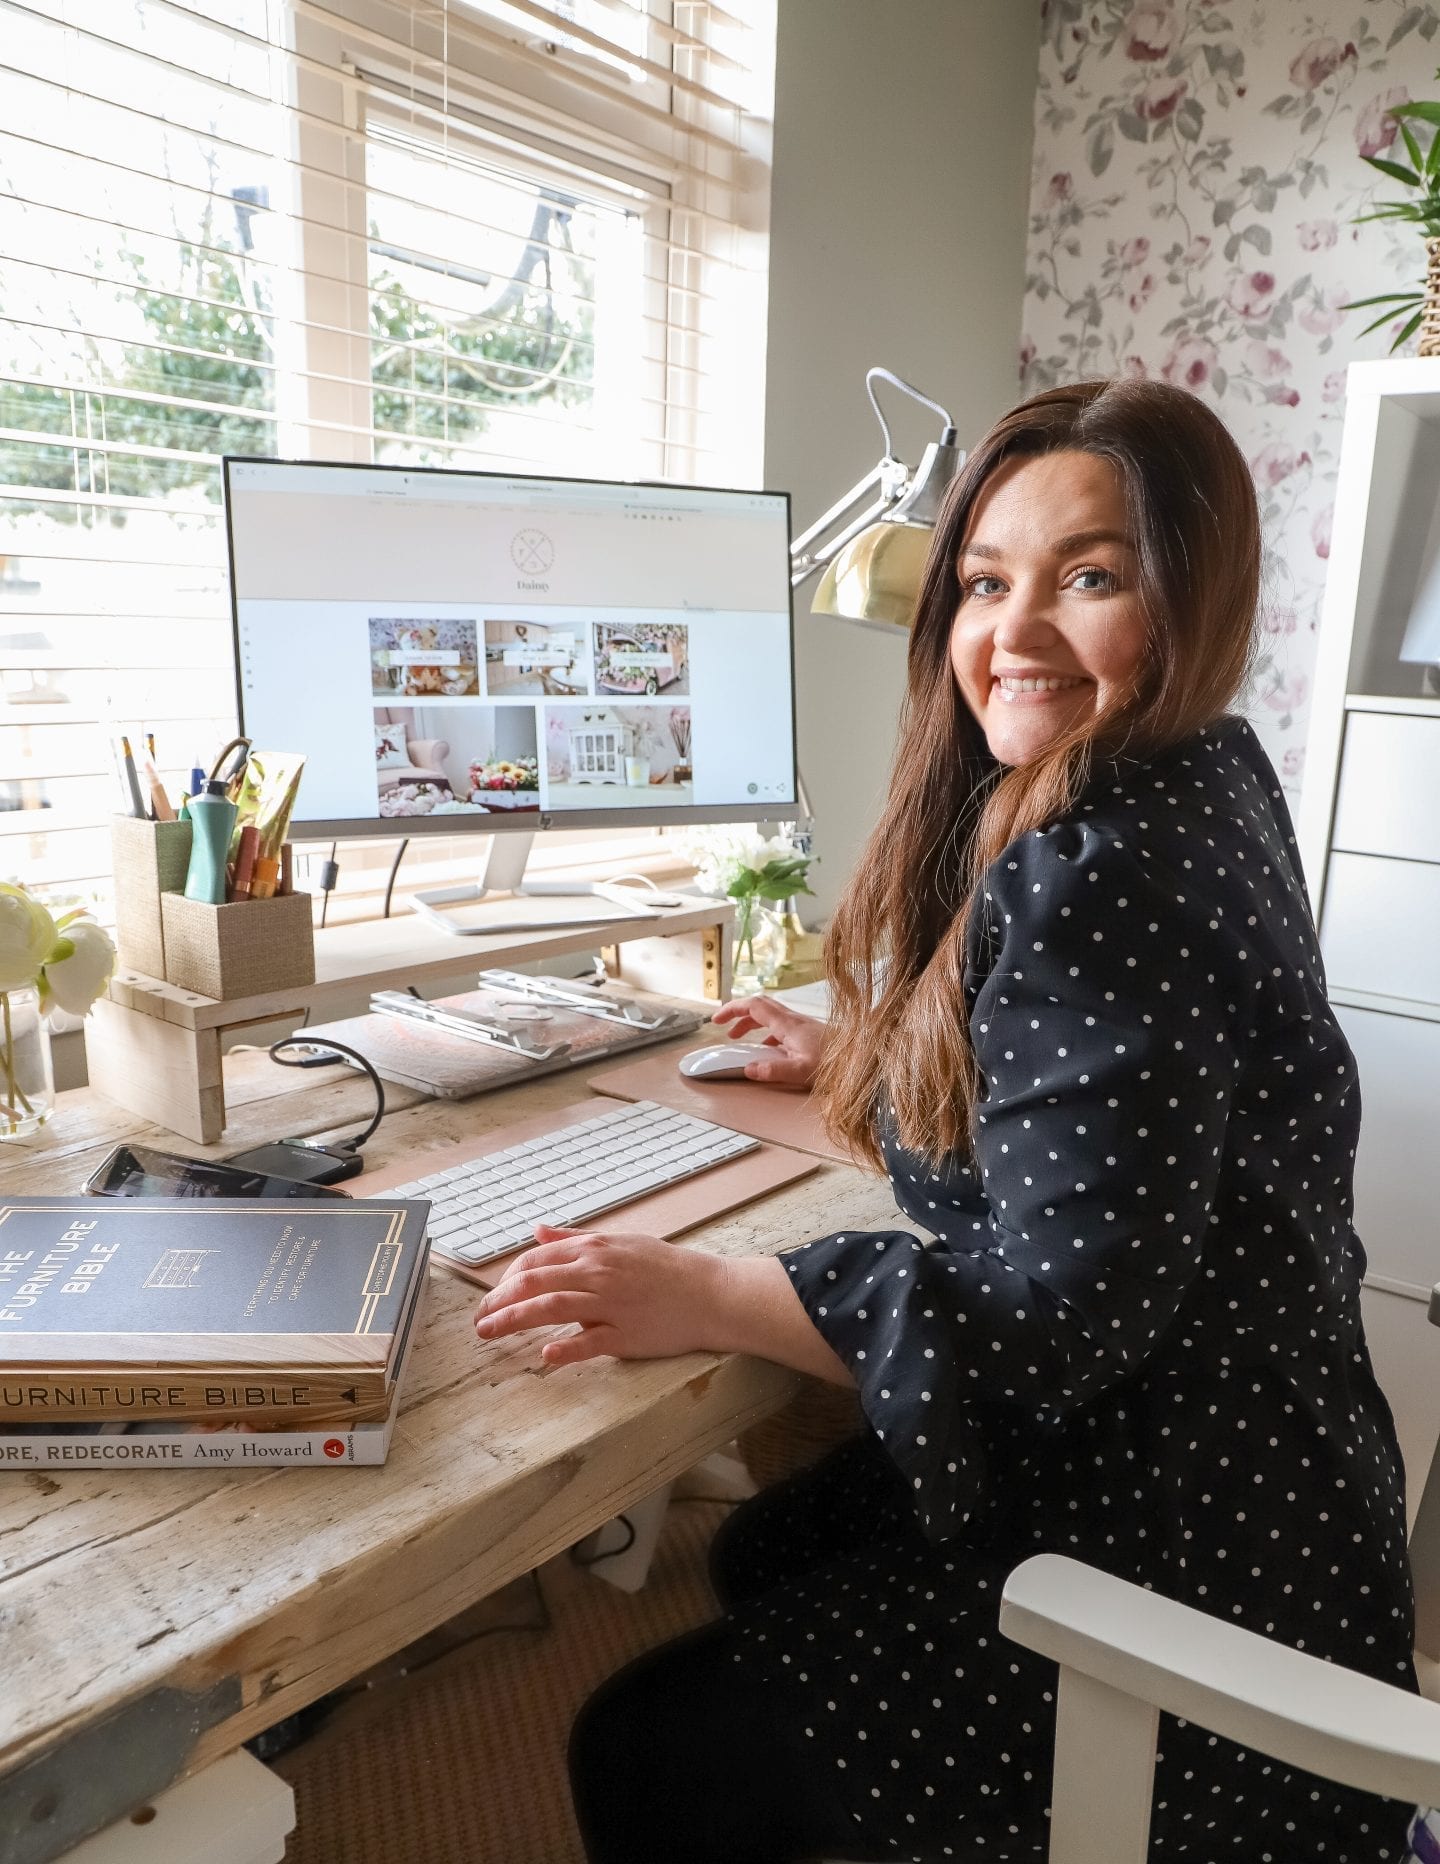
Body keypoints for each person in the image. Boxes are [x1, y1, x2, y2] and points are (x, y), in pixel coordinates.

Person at [472, 379, 1415, 1862]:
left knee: (646, 1744)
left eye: (1090, 577)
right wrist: (877, 1053)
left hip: (1191, 1554)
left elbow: (1053, 1320)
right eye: (985, 581)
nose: (1012, 633)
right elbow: (1124, 1115)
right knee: (779, 1538)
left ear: (1190, 597)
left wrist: (715, 1290)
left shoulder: (1098, 871)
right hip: (1292, 1488)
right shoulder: (1205, 773)